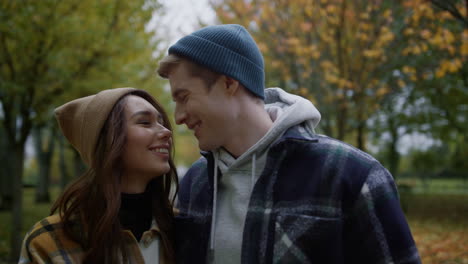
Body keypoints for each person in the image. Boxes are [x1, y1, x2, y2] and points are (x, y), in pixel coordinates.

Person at [157, 24, 421, 264]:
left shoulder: (352, 176)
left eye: (184, 97)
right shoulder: (195, 182)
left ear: (228, 83)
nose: (178, 117)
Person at [19, 88, 178, 264]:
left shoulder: (182, 229)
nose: (167, 132)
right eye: (145, 122)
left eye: (161, 122)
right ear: (106, 141)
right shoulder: (48, 241)